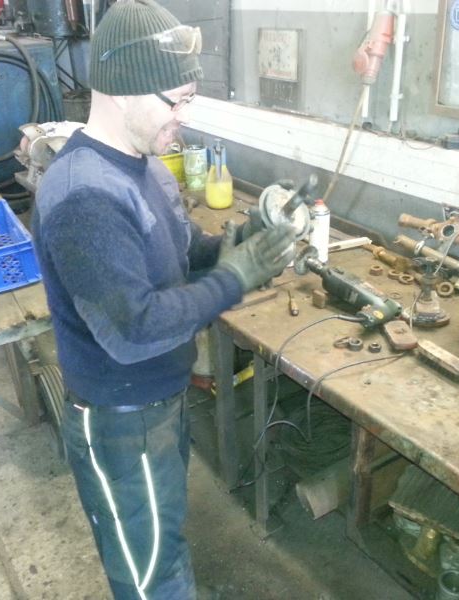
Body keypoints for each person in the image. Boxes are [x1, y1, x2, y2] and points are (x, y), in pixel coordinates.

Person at [31, 1, 295, 598]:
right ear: (122, 90)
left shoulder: (146, 167)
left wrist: (246, 241)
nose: (184, 118)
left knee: (163, 542)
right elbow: (134, 330)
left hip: (161, 403)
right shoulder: (84, 196)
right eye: (176, 101)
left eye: (188, 100)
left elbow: (184, 251)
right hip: (120, 421)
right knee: (152, 576)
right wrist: (237, 278)